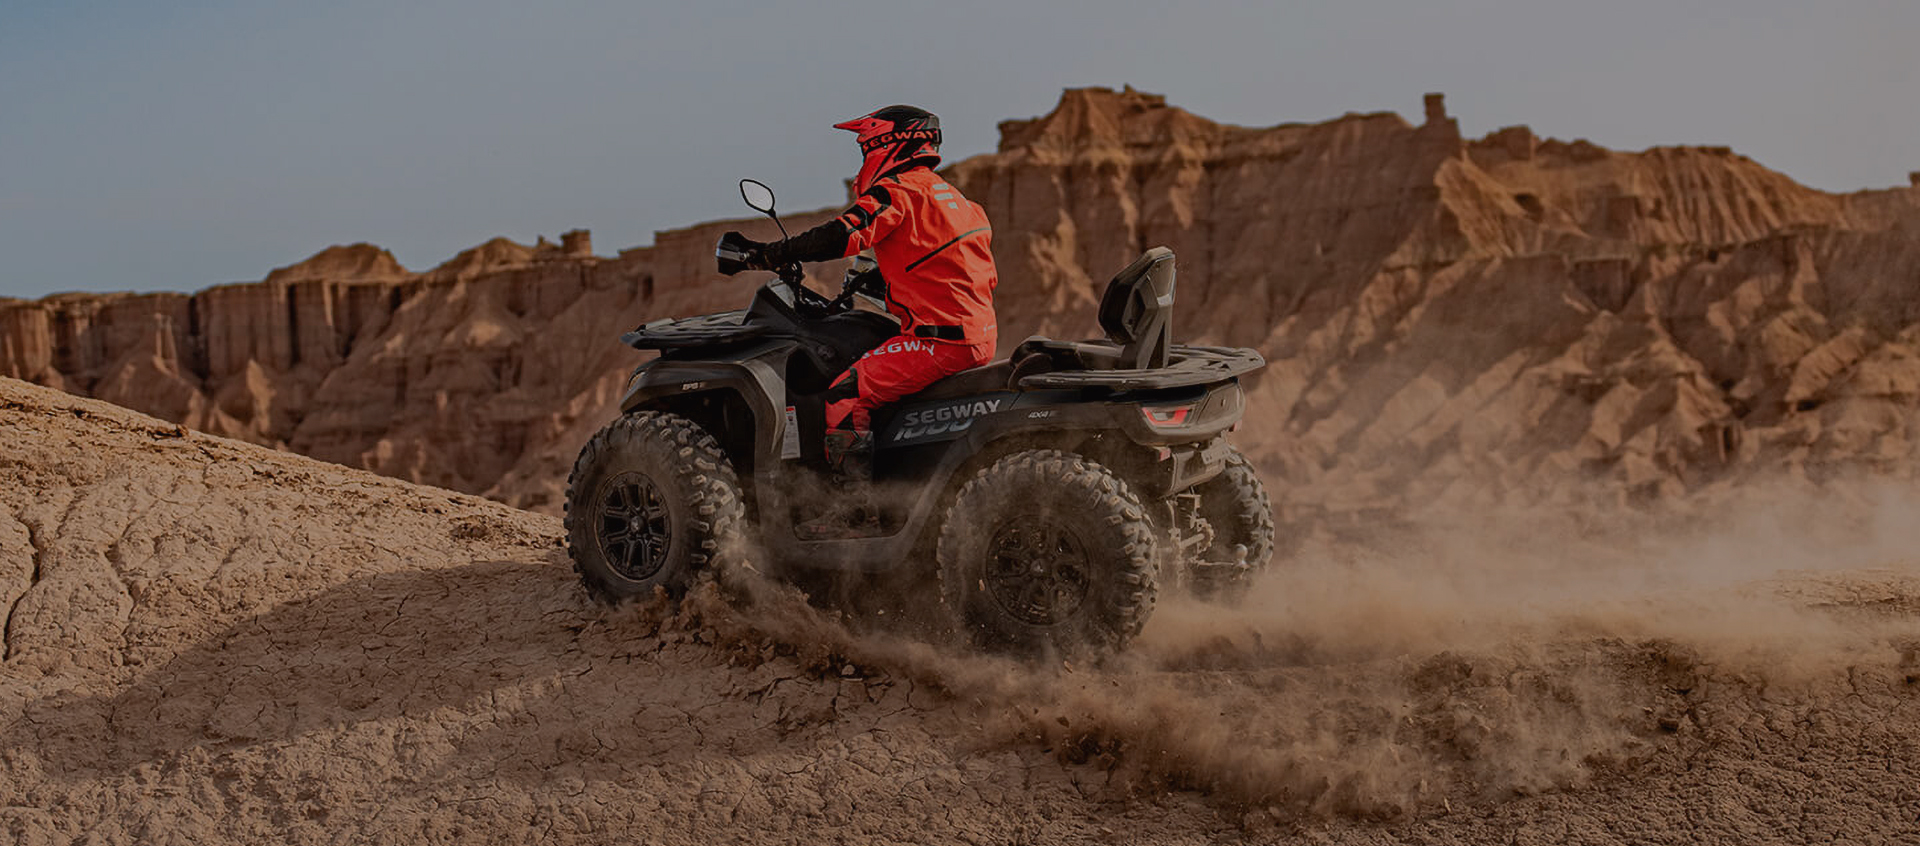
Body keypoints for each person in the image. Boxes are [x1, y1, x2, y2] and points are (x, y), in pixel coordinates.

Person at [737, 105, 999, 487]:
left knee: (845, 394)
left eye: (865, 147)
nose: (864, 157)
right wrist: (879, 279)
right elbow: (946, 263)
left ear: (887, 143)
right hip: (976, 334)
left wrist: (770, 253)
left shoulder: (898, 192)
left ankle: (853, 511)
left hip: (936, 341)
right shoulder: (959, 202)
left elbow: (843, 233)